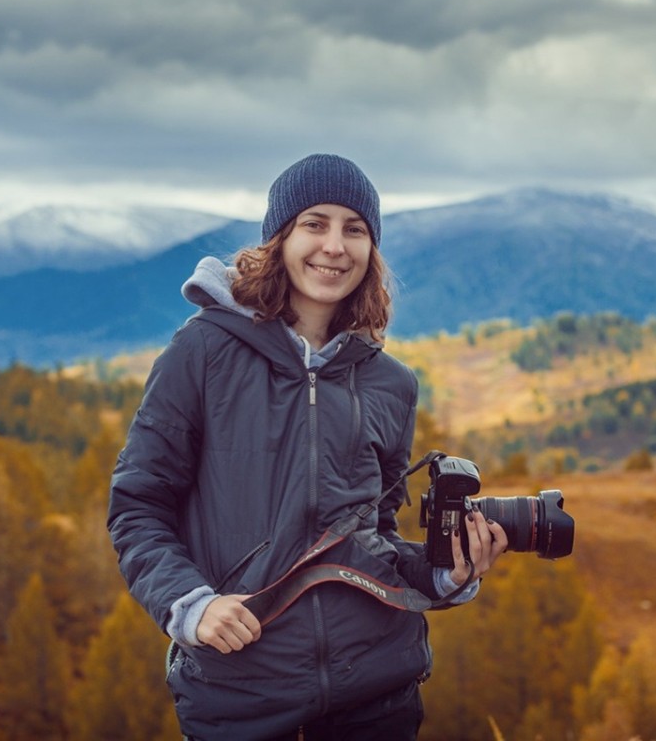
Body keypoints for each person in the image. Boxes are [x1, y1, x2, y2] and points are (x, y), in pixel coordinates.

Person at [108, 153, 508, 740]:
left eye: (355, 229)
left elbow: (375, 535)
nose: (335, 246)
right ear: (280, 237)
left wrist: (449, 575)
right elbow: (138, 508)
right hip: (241, 695)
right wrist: (191, 605)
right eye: (314, 223)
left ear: (372, 251)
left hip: (378, 697)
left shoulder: (390, 383)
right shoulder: (202, 354)